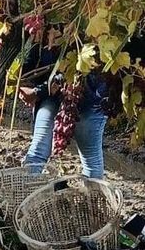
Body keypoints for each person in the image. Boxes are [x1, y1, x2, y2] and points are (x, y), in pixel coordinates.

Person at [18, 37, 108, 178]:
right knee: (90, 162)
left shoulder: (82, 31)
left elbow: (66, 75)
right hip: (61, 99)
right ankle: (24, 196)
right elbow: (31, 61)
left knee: (39, 153)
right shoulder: (49, 26)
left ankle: (22, 195)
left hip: (89, 101)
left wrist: (37, 92)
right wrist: (24, 84)